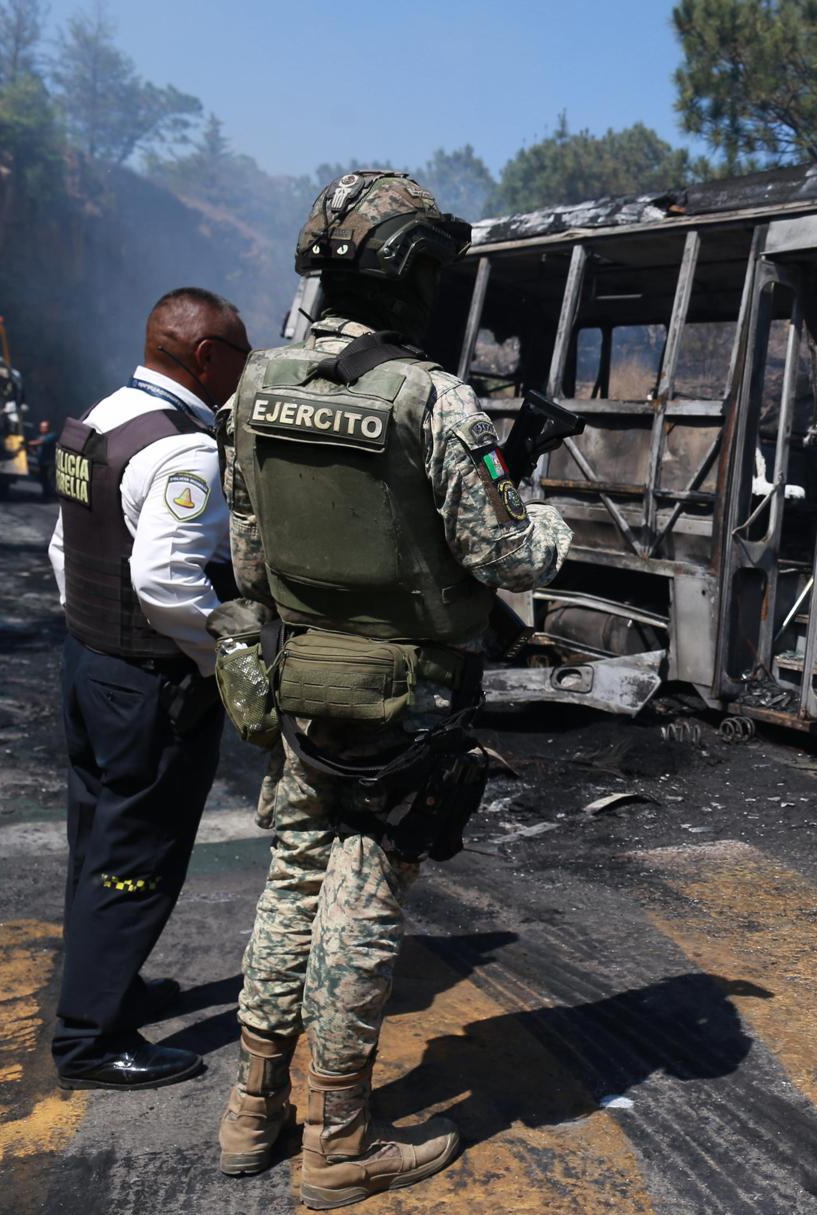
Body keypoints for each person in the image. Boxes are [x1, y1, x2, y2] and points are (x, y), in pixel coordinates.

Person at [215, 171, 570, 1208]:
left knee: (290, 884)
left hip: (299, 678)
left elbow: (246, 558)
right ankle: (337, 1143)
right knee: (360, 903)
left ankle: (252, 1110)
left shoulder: (255, 382)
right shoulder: (430, 395)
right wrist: (539, 510)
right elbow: (507, 552)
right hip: (403, 699)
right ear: (413, 276)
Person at [48, 287, 251, 1089]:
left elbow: (66, 548)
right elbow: (167, 581)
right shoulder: (186, 450)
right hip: (147, 685)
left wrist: (93, 635)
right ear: (206, 359)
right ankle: (90, 1040)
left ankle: (105, 986)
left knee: (97, 839)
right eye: (239, 352)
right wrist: (221, 658)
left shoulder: (98, 418)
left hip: (89, 664)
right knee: (138, 857)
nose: (244, 367)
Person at [30, 419, 57, 498]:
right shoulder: (38, 436)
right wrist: (33, 451)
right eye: (42, 427)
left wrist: (29, 443)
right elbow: (36, 447)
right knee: (43, 479)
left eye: (45, 427)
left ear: (48, 428)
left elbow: (41, 442)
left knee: (50, 479)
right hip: (42, 462)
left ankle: (51, 495)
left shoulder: (52, 435)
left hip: (50, 462)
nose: (43, 428)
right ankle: (45, 494)